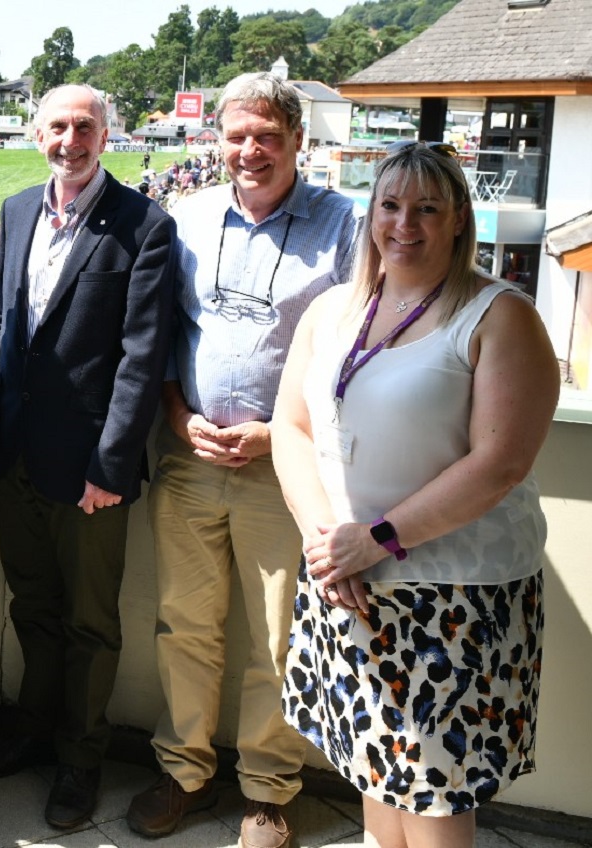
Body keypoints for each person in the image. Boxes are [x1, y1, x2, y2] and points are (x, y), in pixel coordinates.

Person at [273, 142, 558, 848]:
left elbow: (501, 464)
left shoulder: (497, 316)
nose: (406, 223)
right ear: (370, 212)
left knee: (434, 797)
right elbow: (292, 427)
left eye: (427, 208)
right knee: (375, 771)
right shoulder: (334, 310)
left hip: (454, 598)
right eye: (391, 205)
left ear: (458, 218)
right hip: (350, 583)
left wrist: (373, 540)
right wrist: (325, 544)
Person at [127, 72, 359, 848]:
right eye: (236, 136)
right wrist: (177, 415)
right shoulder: (187, 218)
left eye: (266, 135)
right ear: (216, 141)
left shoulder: (341, 226)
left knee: (278, 634)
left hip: (284, 467)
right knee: (184, 623)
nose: (250, 150)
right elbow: (158, 335)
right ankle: (183, 770)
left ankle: (268, 789)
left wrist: (277, 436)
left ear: (297, 140)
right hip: (189, 457)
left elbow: (355, 354)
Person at [0, 83, 177, 830]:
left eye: (85, 125)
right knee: (33, 604)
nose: (70, 139)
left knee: (90, 621)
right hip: (13, 450)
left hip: (91, 469)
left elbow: (143, 357)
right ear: (36, 133)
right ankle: (33, 728)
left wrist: (111, 467)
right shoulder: (21, 208)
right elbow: (1, 319)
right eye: (57, 126)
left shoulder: (145, 225)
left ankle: (80, 760)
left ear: (106, 133)